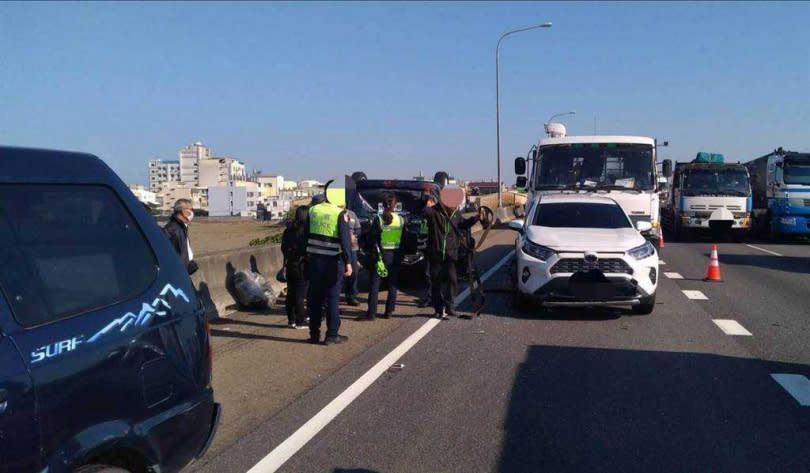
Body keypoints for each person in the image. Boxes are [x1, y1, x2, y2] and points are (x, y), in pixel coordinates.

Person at [422, 195, 485, 319]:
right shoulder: (434, 212)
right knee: (436, 282)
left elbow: (463, 224)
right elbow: (423, 213)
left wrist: (476, 218)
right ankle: (438, 309)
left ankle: (450, 306)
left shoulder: (456, 214)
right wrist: (427, 205)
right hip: (436, 253)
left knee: (452, 280)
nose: (453, 207)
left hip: (451, 253)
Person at [306, 192, 353, 345]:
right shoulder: (339, 213)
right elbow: (345, 240)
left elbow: (304, 235)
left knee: (315, 298)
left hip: (314, 261)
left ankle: (314, 334)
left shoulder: (313, 210)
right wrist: (349, 261)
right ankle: (332, 335)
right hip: (333, 262)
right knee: (332, 297)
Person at [359, 194, 403, 320]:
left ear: (382, 206)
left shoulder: (378, 219)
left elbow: (372, 239)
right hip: (394, 256)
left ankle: (372, 313)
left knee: (375, 285)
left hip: (379, 255)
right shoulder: (400, 220)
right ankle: (389, 311)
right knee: (392, 285)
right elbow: (405, 239)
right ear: (395, 206)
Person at [281, 206, 310, 329]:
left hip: (290, 265)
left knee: (291, 294)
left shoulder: (288, 230)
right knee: (300, 294)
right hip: (301, 265)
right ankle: (300, 321)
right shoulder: (305, 230)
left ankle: (291, 320)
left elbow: (283, 248)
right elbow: (306, 249)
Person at [163, 198, 198, 275]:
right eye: (190, 209)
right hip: (178, 272)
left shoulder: (181, 226)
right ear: (182, 210)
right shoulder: (173, 228)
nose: (192, 213)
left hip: (184, 269)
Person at [343, 207, 361, 306]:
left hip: (353, 248)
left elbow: (358, 228)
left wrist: (354, 235)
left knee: (354, 272)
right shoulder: (337, 213)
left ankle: (352, 295)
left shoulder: (352, 214)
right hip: (340, 249)